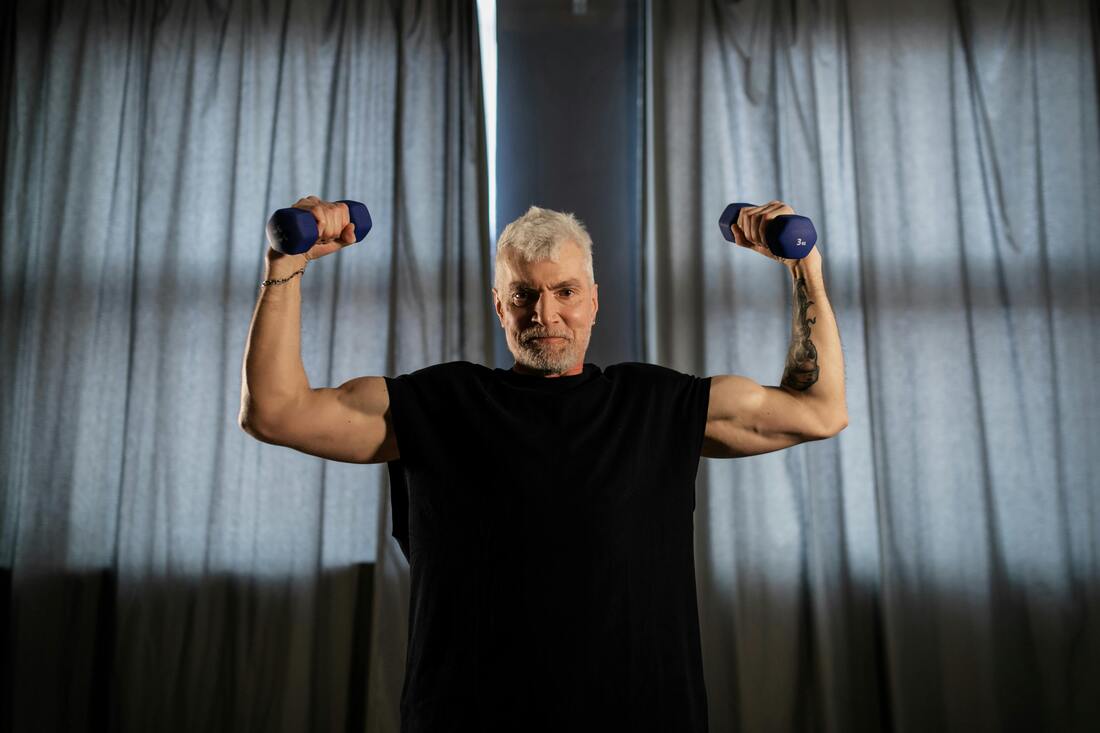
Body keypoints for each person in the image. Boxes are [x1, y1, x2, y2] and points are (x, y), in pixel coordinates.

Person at [239, 196, 847, 732]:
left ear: (594, 300)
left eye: (565, 292)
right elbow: (276, 412)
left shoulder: (658, 405)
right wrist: (286, 267)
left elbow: (819, 411)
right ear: (500, 306)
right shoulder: (440, 405)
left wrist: (804, 267)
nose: (545, 315)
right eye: (525, 295)